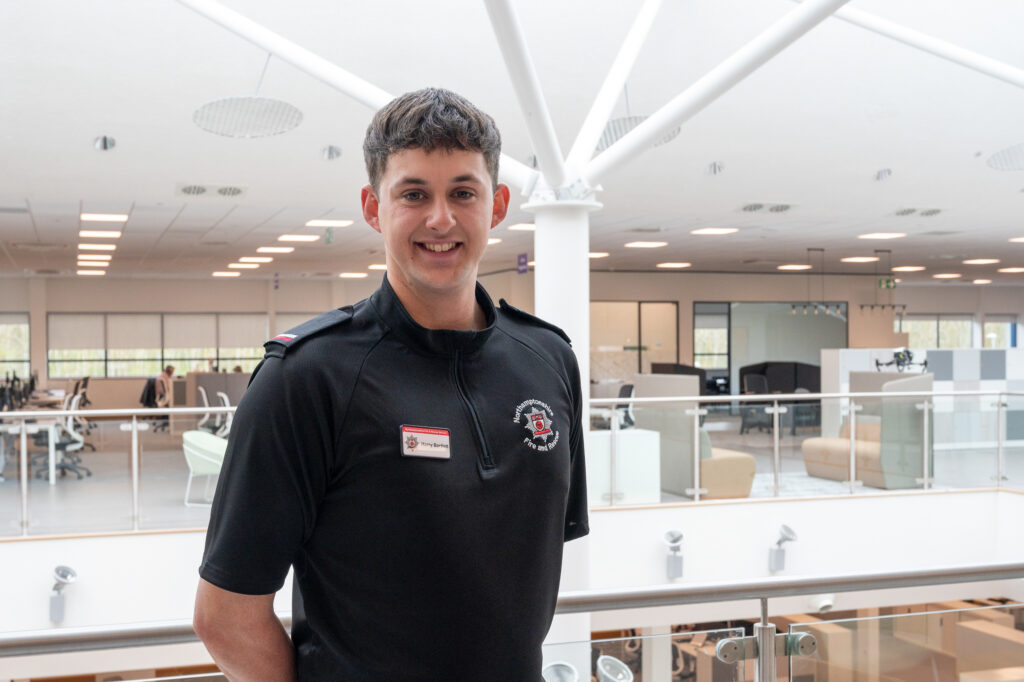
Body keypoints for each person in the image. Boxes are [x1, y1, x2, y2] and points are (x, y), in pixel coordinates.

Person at [193, 88, 588, 681]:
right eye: (413, 194)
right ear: (374, 208)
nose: (440, 219)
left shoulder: (548, 360)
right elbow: (224, 614)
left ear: (497, 204)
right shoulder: (307, 377)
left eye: (463, 192)